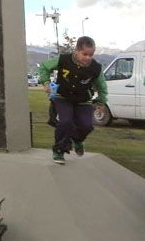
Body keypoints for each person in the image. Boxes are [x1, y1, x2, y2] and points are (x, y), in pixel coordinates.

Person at [39, 36, 108, 164]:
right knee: (65, 121)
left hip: (83, 99)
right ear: (76, 50)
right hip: (62, 96)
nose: (87, 58)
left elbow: (102, 86)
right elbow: (43, 67)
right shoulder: (63, 59)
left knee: (87, 126)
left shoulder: (96, 68)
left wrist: (101, 101)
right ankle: (59, 150)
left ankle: (77, 139)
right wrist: (46, 82)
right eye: (85, 54)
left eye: (91, 55)